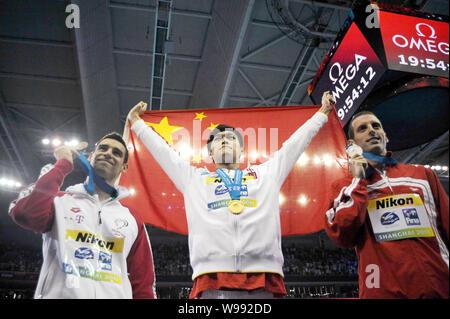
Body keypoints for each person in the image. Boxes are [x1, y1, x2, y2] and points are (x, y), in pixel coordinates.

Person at [127, 92, 335, 299]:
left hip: (265, 277)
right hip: (211, 277)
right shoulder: (194, 179)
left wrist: (323, 112)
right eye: (218, 140)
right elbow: (164, 152)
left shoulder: (266, 174)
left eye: (231, 139)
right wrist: (136, 123)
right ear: (210, 153)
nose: (225, 140)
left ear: (242, 151)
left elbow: (293, 146)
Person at [9, 132, 156, 299]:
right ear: (91, 156)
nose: (108, 153)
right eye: (103, 148)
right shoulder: (59, 201)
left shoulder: (132, 218)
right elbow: (24, 214)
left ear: (124, 167)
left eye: (116, 153)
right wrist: (62, 164)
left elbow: (143, 282)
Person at [324, 111, 449, 298]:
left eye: (376, 126)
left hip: (438, 288)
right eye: (362, 129)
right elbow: (341, 234)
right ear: (352, 145)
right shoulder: (344, 186)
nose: (372, 131)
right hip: (383, 293)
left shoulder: (422, 175)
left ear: (386, 136)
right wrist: (359, 179)